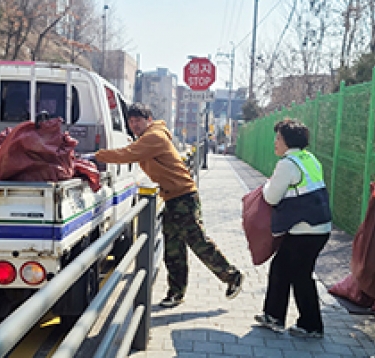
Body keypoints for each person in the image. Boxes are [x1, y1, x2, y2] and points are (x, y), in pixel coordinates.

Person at [93, 102, 243, 308]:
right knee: (173, 248)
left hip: (184, 198)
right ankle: (176, 292)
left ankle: (232, 276)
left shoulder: (154, 137)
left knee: (198, 242)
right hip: (172, 198)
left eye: (138, 120)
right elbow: (132, 150)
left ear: (149, 120)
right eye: (131, 121)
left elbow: (126, 154)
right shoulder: (147, 137)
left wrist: (96, 156)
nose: (134, 124)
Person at [254, 118, 332, 338]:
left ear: (288, 140)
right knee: (286, 270)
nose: (275, 142)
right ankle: (275, 317)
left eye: (278, 138)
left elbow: (270, 197)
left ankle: (310, 325)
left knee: (297, 274)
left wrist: (268, 184)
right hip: (319, 228)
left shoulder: (287, 164)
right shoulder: (310, 159)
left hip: (304, 231)